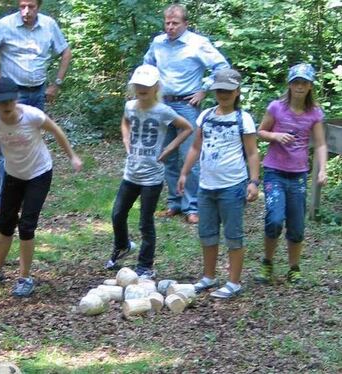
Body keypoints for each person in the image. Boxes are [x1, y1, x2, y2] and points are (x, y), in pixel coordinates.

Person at [0, 77, 82, 297]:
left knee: (26, 225)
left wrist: (72, 156)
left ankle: (25, 278)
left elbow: (56, 130)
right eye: (1, 103)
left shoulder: (32, 115)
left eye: (9, 101)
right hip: (13, 174)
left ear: (15, 99)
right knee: (5, 223)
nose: (6, 106)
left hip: (39, 173)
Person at [0, 0, 72, 208]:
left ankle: (30, 194)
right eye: (22, 6)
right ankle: (4, 199)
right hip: (12, 95)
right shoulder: (6, 25)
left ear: (40, 6)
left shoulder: (49, 25)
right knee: (8, 143)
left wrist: (57, 83)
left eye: (31, 6)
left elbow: (65, 51)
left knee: (31, 140)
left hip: (38, 92)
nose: (26, 11)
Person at [177, 68, 260, 299]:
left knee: (233, 234)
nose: (223, 94)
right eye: (219, 90)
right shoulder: (205, 115)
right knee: (207, 232)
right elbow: (196, 147)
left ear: (237, 92)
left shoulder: (243, 119)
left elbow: (252, 153)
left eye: (227, 90)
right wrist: (184, 173)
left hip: (233, 185)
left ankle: (233, 282)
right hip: (206, 185)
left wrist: (254, 182)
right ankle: (209, 276)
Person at [144, 4, 230, 224]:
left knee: (189, 156)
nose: (170, 27)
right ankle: (175, 202)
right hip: (162, 104)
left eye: (175, 23)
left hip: (186, 106)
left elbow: (222, 66)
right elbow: (147, 65)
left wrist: (205, 88)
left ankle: (193, 207)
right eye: (167, 23)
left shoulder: (198, 44)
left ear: (185, 24)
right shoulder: (158, 43)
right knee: (168, 156)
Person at [105, 65, 193, 278]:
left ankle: (145, 266)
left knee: (146, 222)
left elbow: (187, 127)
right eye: (139, 85)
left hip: (152, 176)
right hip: (131, 173)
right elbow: (125, 122)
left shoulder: (162, 110)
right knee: (117, 214)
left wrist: (170, 148)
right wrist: (126, 138)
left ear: (156, 87)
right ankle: (123, 245)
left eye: (146, 86)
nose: (142, 89)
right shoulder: (130, 106)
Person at [254, 63, 328, 285]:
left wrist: (322, 169)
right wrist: (276, 136)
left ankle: (294, 268)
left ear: (310, 86)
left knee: (296, 224)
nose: (300, 86)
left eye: (304, 82)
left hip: (298, 174)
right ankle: (267, 263)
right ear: (289, 84)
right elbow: (260, 132)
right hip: (274, 172)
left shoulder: (314, 113)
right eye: (296, 82)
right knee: (275, 219)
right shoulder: (276, 107)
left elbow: (321, 144)